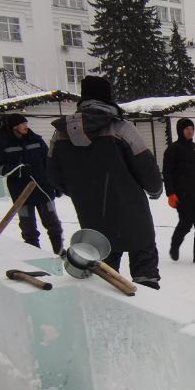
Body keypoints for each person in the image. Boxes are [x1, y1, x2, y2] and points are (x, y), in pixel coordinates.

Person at [47, 75, 164, 289]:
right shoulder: (121, 128)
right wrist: (155, 189)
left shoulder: (60, 134)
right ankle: (149, 310)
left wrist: (81, 191)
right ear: (108, 98)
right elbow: (146, 167)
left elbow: (54, 176)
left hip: (92, 217)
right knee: (144, 266)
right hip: (132, 213)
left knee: (104, 271)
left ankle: (109, 313)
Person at [0, 112, 63, 253]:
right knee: (28, 229)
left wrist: (56, 183)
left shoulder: (36, 140)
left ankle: (59, 252)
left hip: (43, 189)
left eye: (26, 123)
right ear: (14, 127)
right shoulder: (2, 144)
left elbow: (49, 162)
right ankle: (35, 255)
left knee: (53, 225)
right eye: (23, 124)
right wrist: (17, 170)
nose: (26, 126)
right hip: (21, 193)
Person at [162, 116, 195, 265]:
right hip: (182, 195)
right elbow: (167, 173)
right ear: (181, 130)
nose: (190, 131)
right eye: (187, 129)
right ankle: (175, 245)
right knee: (186, 223)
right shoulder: (173, 149)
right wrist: (170, 194)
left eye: (192, 129)